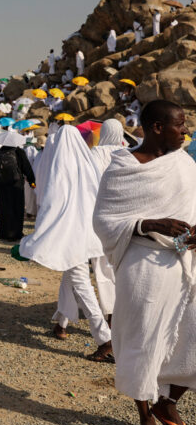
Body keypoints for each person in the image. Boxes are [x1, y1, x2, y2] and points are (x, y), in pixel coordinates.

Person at [93, 100, 196, 425]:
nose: (185, 131)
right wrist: (146, 223)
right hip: (143, 263)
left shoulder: (183, 163)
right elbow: (103, 220)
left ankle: (167, 402)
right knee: (142, 337)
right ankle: (144, 415)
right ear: (155, 128)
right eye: (179, 125)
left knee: (192, 333)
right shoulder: (122, 167)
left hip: (184, 262)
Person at [18, 125, 112, 361]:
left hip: (69, 237)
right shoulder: (87, 165)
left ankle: (105, 339)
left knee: (81, 282)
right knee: (70, 278)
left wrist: (36, 238)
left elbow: (51, 205)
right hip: (87, 233)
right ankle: (61, 322)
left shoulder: (60, 168)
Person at [89, 118, 126, 319]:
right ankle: (119, 309)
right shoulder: (127, 152)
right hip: (123, 218)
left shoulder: (94, 154)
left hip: (99, 216)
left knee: (102, 266)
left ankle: (110, 311)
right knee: (120, 264)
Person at [0, 136, 36, 241]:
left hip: (2, 185)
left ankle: (3, 233)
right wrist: (32, 181)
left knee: (3, 209)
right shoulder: (19, 152)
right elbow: (27, 168)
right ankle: (16, 234)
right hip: (17, 186)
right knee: (17, 209)